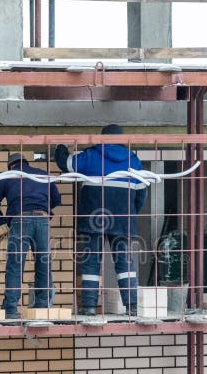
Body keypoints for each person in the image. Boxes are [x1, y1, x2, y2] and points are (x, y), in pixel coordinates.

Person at [55, 124, 147, 316]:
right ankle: (132, 306)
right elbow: (142, 193)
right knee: (125, 262)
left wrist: (60, 147)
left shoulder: (91, 155)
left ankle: (88, 307)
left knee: (90, 262)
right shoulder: (133, 160)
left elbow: (67, 164)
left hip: (93, 217)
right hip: (123, 217)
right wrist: (130, 212)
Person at [0, 153, 61, 319]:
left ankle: (11, 309)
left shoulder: (8, 176)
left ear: (11, 166)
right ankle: (43, 307)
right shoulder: (43, 174)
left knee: (15, 265)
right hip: (42, 219)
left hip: (20, 220)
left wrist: (2, 221)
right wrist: (42, 204)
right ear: (26, 162)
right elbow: (56, 199)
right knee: (44, 263)